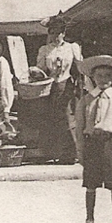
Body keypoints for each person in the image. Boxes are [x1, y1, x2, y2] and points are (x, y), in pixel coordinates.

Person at [74, 55, 112, 223]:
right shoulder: (86, 100)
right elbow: (80, 126)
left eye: (107, 76)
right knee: (90, 183)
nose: (103, 79)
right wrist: (81, 150)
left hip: (111, 143)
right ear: (93, 77)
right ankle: (89, 218)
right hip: (92, 144)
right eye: (99, 76)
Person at [35, 16, 82, 164]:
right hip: (50, 86)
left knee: (67, 119)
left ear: (64, 33)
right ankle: (53, 152)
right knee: (52, 119)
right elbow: (40, 69)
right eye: (53, 32)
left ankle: (70, 153)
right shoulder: (45, 50)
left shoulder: (71, 47)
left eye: (59, 32)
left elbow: (80, 67)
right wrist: (36, 72)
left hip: (67, 85)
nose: (56, 36)